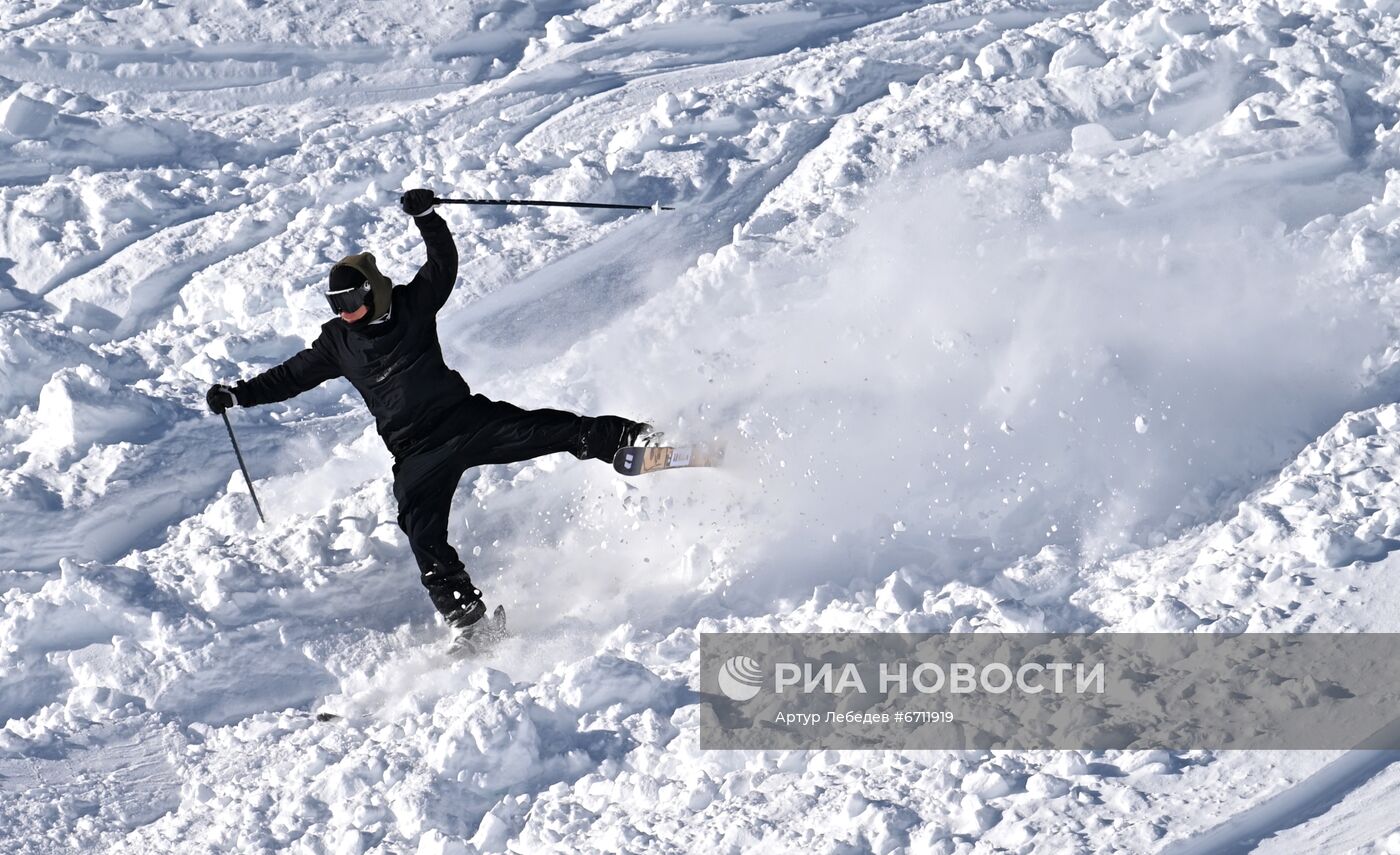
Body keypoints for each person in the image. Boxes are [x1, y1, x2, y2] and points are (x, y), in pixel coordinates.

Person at [205, 188, 650, 641]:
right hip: (415, 453)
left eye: (352, 303)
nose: (347, 314)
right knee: (421, 532)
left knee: (546, 430)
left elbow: (443, 265)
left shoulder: (412, 306)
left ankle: (627, 440)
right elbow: (289, 376)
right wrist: (238, 395)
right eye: (335, 306)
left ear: (372, 291)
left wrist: (427, 218)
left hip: (464, 421)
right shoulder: (337, 343)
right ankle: (468, 619)